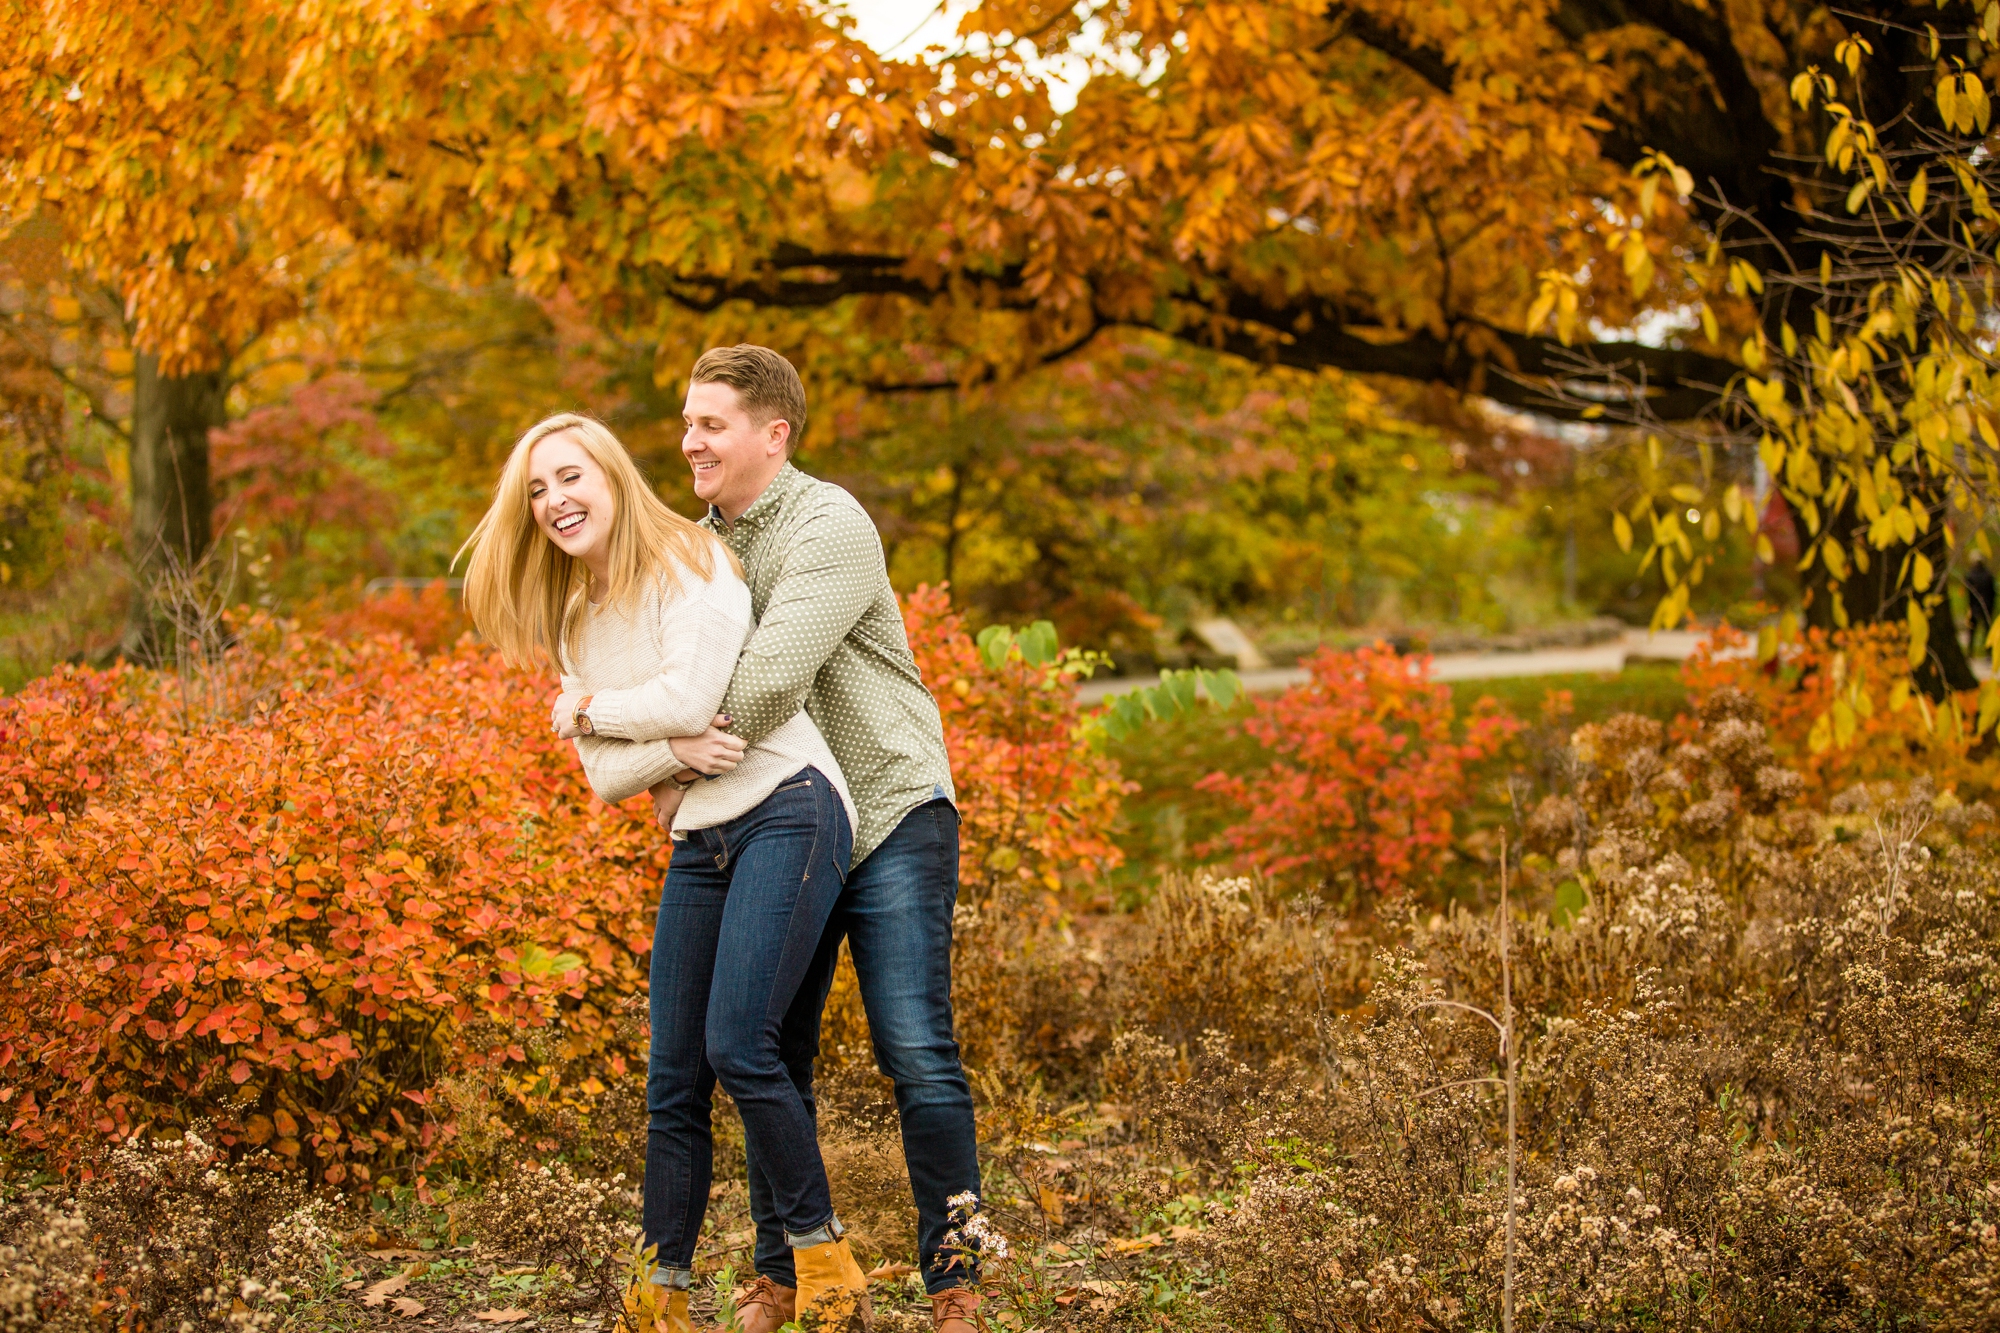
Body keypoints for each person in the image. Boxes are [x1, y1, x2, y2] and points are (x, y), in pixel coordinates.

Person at [459, 413, 875, 1333]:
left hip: (788, 807)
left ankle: (826, 1264)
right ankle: (659, 1299)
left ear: (610, 476)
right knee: (673, 1078)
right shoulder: (574, 615)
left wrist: (591, 708)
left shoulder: (692, 563)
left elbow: (692, 703)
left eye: (570, 477)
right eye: (535, 490)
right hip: (703, 837)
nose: (555, 501)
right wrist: (674, 748)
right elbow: (611, 777)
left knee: (740, 1044)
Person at [677, 346, 986, 1333]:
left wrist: (671, 751)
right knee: (767, 1048)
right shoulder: (691, 550)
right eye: (684, 422)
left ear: (773, 434)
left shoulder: (828, 522)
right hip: (783, 822)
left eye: (710, 423)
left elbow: (767, 679)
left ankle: (956, 1280)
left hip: (888, 810)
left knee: (914, 1046)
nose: (688, 440)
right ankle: (786, 1273)